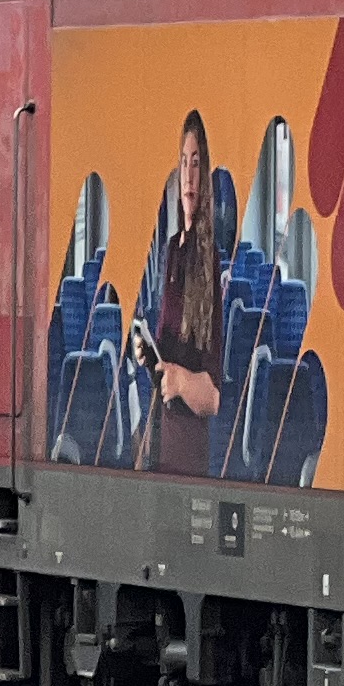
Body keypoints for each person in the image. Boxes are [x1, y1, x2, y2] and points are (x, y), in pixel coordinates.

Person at [131, 112, 230, 476]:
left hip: (186, 449)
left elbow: (212, 397)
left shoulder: (209, 260)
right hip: (160, 436)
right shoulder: (173, 248)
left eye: (197, 163)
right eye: (184, 162)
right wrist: (149, 354)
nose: (188, 176)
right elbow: (170, 352)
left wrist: (182, 381)